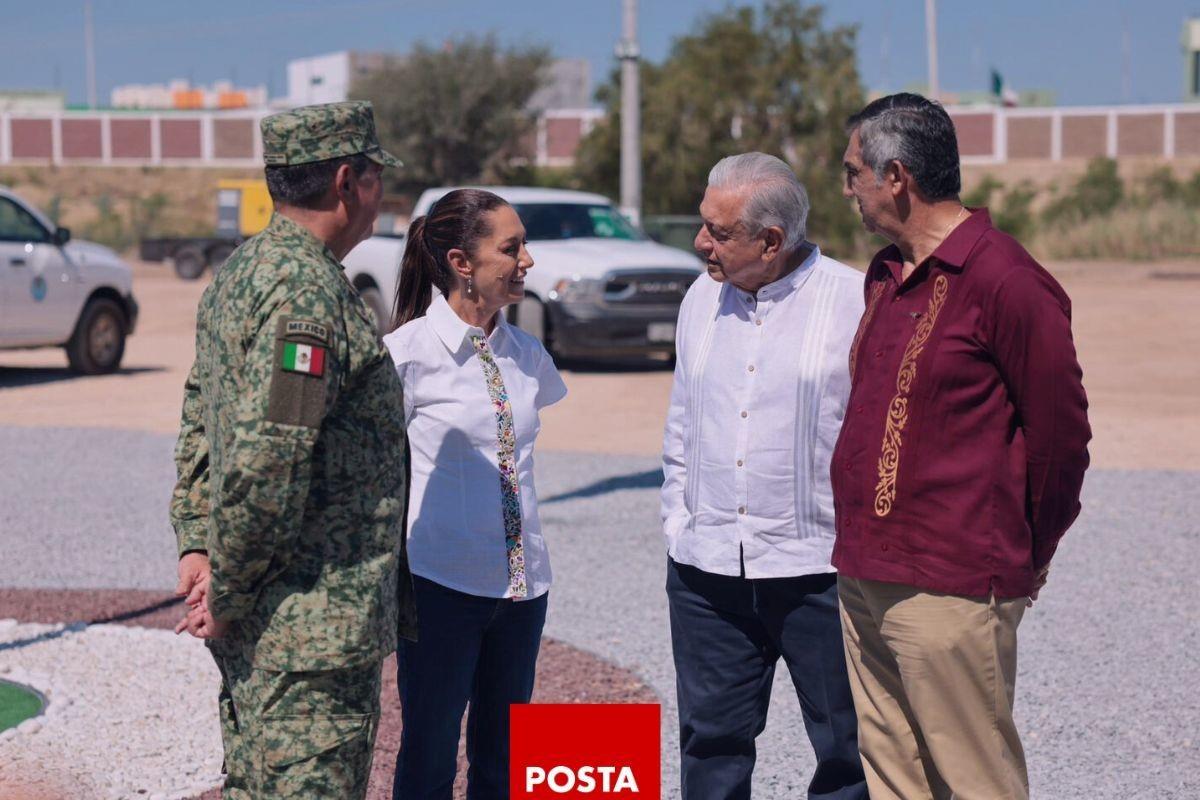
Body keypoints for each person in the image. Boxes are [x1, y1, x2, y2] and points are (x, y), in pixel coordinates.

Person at [833, 93, 1092, 800]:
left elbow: (1062, 440)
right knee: (894, 778)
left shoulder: (1006, 279)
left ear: (895, 178)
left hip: (951, 585)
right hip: (864, 572)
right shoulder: (886, 274)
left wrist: (1023, 553)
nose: (847, 189)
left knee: (974, 780)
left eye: (853, 172)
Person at [168, 100, 415, 800]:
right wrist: (232, 589)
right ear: (347, 181)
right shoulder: (306, 293)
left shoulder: (244, 271)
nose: (377, 195)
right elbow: (269, 459)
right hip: (306, 629)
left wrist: (198, 544)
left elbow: (201, 417)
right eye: (374, 177)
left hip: (272, 623)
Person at [661, 152, 869, 800]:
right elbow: (682, 423)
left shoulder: (856, 300)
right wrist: (680, 521)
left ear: (771, 242)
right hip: (707, 574)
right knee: (711, 748)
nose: (701, 244)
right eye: (704, 225)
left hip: (820, 575)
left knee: (851, 754)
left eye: (718, 233)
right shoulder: (700, 298)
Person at [383, 188, 567, 799]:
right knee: (430, 759)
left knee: (506, 765)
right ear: (462, 262)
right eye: (511, 248)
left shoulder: (529, 356)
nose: (527, 261)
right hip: (441, 589)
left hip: (523, 588)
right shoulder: (405, 358)